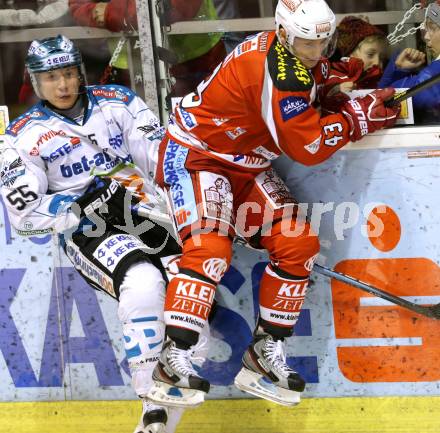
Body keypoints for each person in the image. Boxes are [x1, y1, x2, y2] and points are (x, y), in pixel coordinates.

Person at [146, 0, 400, 409]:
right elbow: (308, 145)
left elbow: (317, 75)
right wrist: (355, 119)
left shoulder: (293, 53)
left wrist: (351, 80)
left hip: (246, 163)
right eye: (307, 43)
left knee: (298, 243)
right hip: (198, 156)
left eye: (324, 42)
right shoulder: (277, 69)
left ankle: (263, 354)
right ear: (283, 34)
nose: (317, 51)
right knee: (210, 250)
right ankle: (171, 359)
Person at [0, 35, 206, 433]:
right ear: (35, 81)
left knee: (191, 299)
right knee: (142, 282)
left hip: (143, 211)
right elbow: (25, 214)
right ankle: (149, 388)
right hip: (88, 227)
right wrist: (74, 206)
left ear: (80, 72)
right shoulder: (21, 137)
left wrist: (174, 199)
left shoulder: (119, 101)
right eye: (50, 78)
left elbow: (159, 158)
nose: (61, 85)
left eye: (67, 74)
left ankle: (158, 420)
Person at [378, 1, 440, 123]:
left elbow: (381, 100)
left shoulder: (434, 73)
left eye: (432, 28)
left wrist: (398, 69)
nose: (427, 36)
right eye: (426, 29)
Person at [323, 16, 387, 97]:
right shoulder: (332, 77)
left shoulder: (373, 79)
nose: (377, 62)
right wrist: (336, 92)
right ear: (350, 53)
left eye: (382, 58)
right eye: (370, 54)